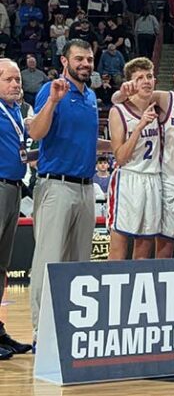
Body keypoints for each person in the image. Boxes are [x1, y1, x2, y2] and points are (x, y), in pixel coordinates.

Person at [28, 39, 111, 344]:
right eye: (79, 59)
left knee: (79, 264)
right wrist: (51, 102)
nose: (85, 64)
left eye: (89, 59)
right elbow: (36, 133)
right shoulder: (51, 90)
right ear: (65, 61)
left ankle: (69, 329)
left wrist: (122, 145)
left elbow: (89, 142)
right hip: (56, 185)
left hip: (86, 188)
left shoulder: (90, 96)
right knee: (48, 261)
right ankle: (41, 333)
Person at [113, 55, 174, 259]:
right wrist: (119, 94)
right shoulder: (166, 99)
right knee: (160, 246)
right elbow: (126, 99)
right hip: (168, 183)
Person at [106, 58, 161, 260]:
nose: (146, 81)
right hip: (129, 179)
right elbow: (120, 157)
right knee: (119, 248)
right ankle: (111, 290)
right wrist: (139, 127)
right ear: (131, 84)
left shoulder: (159, 107)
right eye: (139, 78)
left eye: (149, 76)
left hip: (153, 179)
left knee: (145, 247)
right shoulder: (118, 111)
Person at [0, 59, 32, 358]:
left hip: (13, 187)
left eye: (18, 79)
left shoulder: (15, 112)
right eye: (9, 79)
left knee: (1, 266)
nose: (16, 84)